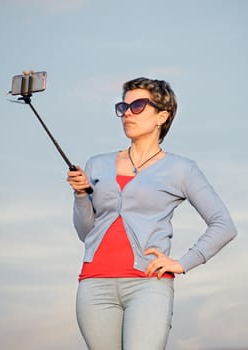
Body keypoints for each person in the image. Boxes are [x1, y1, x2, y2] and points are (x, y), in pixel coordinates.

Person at [67, 77, 237, 350]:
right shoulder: (96, 164)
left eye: (138, 106)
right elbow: (87, 232)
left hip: (148, 285)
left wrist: (183, 263)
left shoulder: (181, 169)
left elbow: (224, 225)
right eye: (124, 106)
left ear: (162, 116)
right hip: (94, 284)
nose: (127, 114)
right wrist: (80, 196)